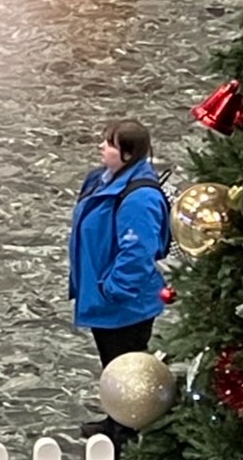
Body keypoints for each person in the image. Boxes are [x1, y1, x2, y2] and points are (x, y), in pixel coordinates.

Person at [69, 118, 169, 442]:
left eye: (110, 143)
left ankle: (127, 428)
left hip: (124, 305)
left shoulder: (139, 198)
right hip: (106, 298)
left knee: (127, 368)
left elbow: (138, 251)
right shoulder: (103, 181)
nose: (102, 147)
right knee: (113, 365)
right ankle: (116, 419)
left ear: (128, 155)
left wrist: (113, 289)